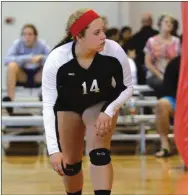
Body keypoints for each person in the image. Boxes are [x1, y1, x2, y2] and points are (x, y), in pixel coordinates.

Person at [42, 8, 133, 195]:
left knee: (99, 154)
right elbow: (49, 106)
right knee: (71, 163)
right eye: (97, 33)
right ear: (79, 37)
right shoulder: (57, 60)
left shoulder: (113, 50)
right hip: (68, 107)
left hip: (99, 104)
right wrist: (53, 150)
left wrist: (109, 110)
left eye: (104, 31)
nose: (103, 37)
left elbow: (128, 87)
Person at [3, 24, 50, 114]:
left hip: (37, 75)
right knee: (11, 66)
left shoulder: (42, 44)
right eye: (24, 34)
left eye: (30, 34)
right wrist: (27, 58)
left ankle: (45, 98)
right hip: (23, 75)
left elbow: (52, 58)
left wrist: (41, 58)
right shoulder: (17, 43)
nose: (27, 37)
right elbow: (6, 60)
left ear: (35, 36)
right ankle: (10, 101)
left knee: (49, 67)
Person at [144, 14, 180, 99]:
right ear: (160, 24)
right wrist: (160, 75)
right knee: (163, 84)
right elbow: (148, 63)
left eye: (171, 22)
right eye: (166, 22)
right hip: (155, 75)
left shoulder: (177, 41)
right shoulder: (152, 41)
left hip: (172, 75)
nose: (169, 24)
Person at [155, 55, 181, 157]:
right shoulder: (175, 63)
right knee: (162, 104)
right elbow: (167, 87)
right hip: (177, 100)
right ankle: (165, 146)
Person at [129, 12, 159, 84]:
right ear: (151, 22)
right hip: (155, 66)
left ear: (142, 22)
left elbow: (130, 51)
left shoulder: (136, 36)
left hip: (140, 65)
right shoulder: (157, 35)